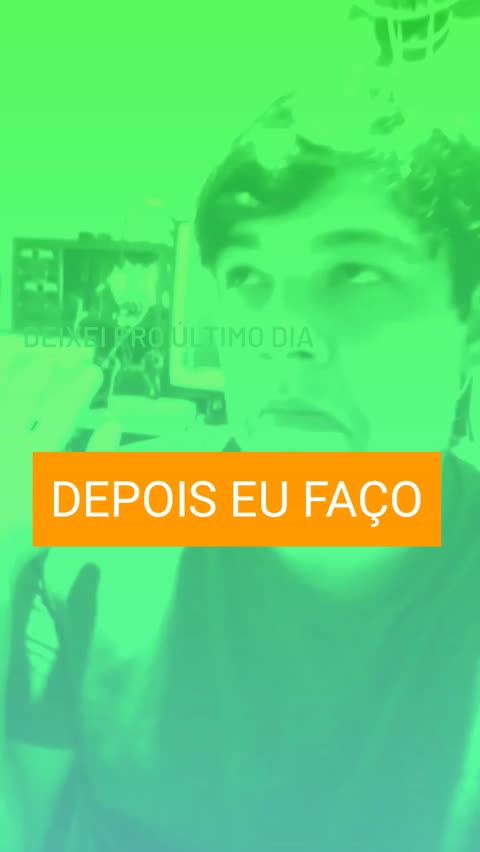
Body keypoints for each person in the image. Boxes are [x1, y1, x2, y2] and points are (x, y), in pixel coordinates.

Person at [3, 41, 480, 852]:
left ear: (469, 330)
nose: (281, 338)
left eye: (356, 272)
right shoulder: (103, 528)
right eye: (249, 279)